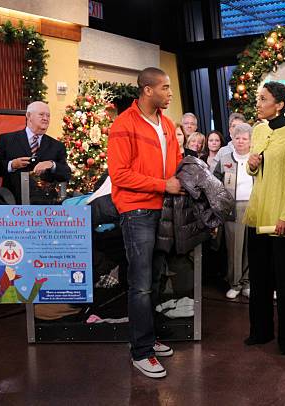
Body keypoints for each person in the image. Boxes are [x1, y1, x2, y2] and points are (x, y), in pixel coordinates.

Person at [107, 67, 183, 379]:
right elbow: (120, 174)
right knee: (139, 284)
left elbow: (176, 164)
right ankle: (141, 351)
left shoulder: (165, 123)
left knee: (152, 281)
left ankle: (147, 338)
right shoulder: (123, 124)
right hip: (137, 211)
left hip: (162, 210)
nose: (169, 93)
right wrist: (163, 185)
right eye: (165, 87)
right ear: (147, 90)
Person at [243, 81, 285, 356]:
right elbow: (253, 169)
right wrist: (252, 165)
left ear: (279, 104)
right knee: (258, 280)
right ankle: (260, 332)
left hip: (284, 219)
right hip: (258, 214)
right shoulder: (257, 130)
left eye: (263, 98)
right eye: (258, 98)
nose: (258, 103)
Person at [0, 101, 71, 204]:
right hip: (12, 203)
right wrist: (12, 165)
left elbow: (66, 173)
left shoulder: (57, 146)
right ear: (29, 116)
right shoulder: (7, 139)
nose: (45, 118)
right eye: (41, 114)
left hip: (46, 206)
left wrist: (52, 164)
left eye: (48, 115)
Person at [213, 123, 254, 299]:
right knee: (234, 248)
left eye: (244, 138)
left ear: (251, 141)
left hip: (253, 208)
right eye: (237, 138)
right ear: (232, 139)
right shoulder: (225, 160)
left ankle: (247, 282)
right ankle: (234, 283)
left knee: (250, 247)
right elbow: (214, 183)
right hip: (232, 209)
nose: (240, 141)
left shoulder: (256, 158)